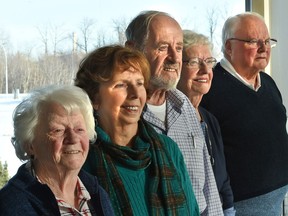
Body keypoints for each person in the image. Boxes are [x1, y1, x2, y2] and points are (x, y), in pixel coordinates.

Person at [75, 45, 199, 216]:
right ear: (94, 97)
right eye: (121, 85)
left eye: (139, 83)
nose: (134, 94)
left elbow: (192, 212)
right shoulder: (80, 157)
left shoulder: (168, 148)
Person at [125, 10, 223, 215]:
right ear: (133, 51)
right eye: (162, 48)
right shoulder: (120, 113)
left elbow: (208, 188)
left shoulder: (184, 106)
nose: (173, 57)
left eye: (178, 48)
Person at [201, 12, 288, 216]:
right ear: (229, 46)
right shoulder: (211, 88)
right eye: (253, 41)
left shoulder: (268, 83)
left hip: (279, 198)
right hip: (242, 205)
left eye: (267, 41)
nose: (263, 48)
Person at [0, 85, 114, 216]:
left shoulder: (97, 194)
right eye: (58, 130)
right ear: (30, 145)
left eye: (79, 129)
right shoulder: (11, 206)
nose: (73, 139)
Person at [177, 30, 235, 216]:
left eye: (209, 62)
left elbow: (222, 176)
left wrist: (229, 210)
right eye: (194, 62)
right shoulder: (171, 121)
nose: (204, 70)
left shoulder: (209, 119)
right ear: (176, 66)